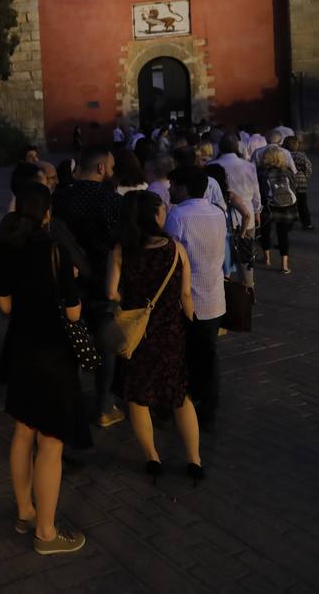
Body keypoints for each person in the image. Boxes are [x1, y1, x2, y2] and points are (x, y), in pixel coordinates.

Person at [0, 184, 89, 556]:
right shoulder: (55, 252)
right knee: (51, 442)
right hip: (52, 354)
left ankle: (25, 512)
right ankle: (46, 533)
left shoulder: (3, 249)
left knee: (22, 431)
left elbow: (4, 306)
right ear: (46, 214)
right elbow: (74, 312)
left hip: (19, 349)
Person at [105, 193, 203, 485]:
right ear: (154, 216)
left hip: (137, 335)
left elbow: (111, 293)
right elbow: (186, 295)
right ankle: (194, 459)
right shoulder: (176, 250)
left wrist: (133, 301)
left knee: (139, 398)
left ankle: (152, 457)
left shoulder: (121, 251)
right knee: (180, 397)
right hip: (171, 331)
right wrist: (191, 323)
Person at [53, 146, 124, 428]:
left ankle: (67, 403)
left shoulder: (58, 198)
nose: (113, 170)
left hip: (66, 282)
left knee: (69, 342)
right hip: (102, 283)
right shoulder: (111, 200)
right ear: (101, 168)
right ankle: (104, 405)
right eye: (112, 166)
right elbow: (119, 245)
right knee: (106, 345)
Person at [165, 169, 227, 432]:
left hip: (187, 299)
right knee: (208, 355)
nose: (169, 191)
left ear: (183, 188)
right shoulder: (218, 213)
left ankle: (187, 405)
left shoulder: (178, 216)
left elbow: (170, 260)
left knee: (185, 355)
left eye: (172, 186)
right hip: (214, 297)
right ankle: (208, 407)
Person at [258, 146, 299, 274]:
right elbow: (294, 186)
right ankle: (284, 265)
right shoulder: (287, 170)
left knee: (265, 231)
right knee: (283, 234)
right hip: (287, 206)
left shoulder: (262, 172)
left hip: (269, 205)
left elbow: (261, 191)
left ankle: (267, 258)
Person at [210, 137, 261, 241]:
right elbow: (256, 192)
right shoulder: (249, 166)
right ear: (237, 147)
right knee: (246, 252)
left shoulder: (211, 166)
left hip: (221, 218)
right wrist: (257, 212)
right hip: (247, 214)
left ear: (219, 147)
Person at [284, 136, 314, 230]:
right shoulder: (301, 155)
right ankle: (306, 223)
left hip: (287, 182)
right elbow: (308, 168)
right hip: (300, 183)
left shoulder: (283, 155)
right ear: (296, 145)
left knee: (289, 204)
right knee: (302, 204)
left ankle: (288, 224)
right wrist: (304, 177)